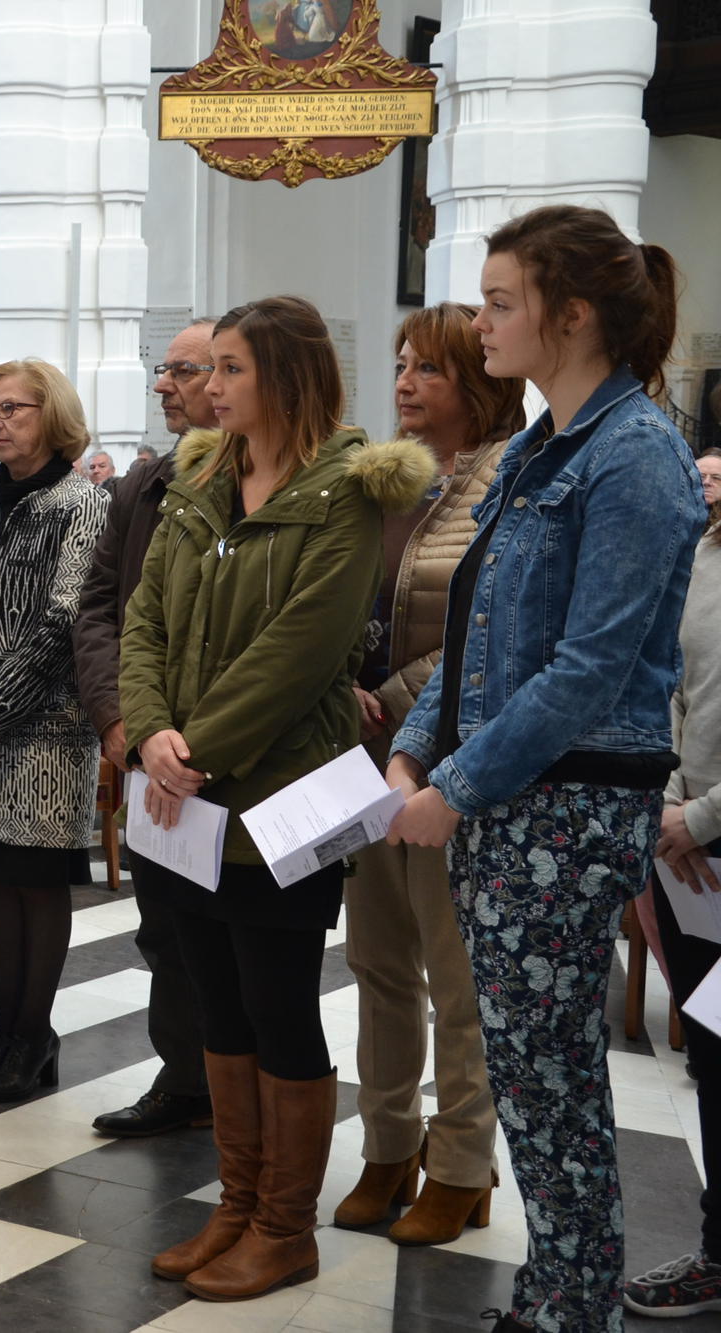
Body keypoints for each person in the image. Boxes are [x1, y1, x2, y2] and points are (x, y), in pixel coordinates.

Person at [386, 206, 704, 1333]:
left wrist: (451, 787)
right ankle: (556, 1292)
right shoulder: (530, 445)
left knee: (550, 1081)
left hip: (567, 804)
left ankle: (569, 1306)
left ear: (571, 317)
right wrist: (411, 743)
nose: (480, 321)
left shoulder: (635, 453)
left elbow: (584, 668)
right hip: (508, 795)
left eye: (501, 301)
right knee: (529, 1074)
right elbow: (476, 633)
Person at [123, 295, 431, 1301]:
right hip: (186, 796)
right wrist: (149, 731)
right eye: (205, 369)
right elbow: (145, 619)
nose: (207, 389)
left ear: (286, 377)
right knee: (213, 1000)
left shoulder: (345, 491)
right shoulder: (203, 476)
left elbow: (299, 653)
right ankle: (236, 1203)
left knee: (276, 1005)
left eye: (228, 370)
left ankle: (284, 1225)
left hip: (279, 797)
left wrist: (194, 746)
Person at [333, 303, 521, 1245]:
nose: (404, 381)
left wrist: (394, 695)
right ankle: (386, 1147)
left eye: (429, 369)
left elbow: (483, 631)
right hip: (370, 760)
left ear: (478, 384)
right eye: (401, 363)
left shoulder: (507, 479)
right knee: (376, 964)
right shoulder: (392, 483)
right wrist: (344, 687)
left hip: (457, 759)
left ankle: (459, 1166)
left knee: (456, 976)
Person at [74, 320, 219, 1140]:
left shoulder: (273, 481)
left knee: (228, 935)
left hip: (217, 751)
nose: (163, 385)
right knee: (163, 924)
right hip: (145, 744)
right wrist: (121, 718)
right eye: (164, 370)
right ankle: (184, 1077)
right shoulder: (144, 485)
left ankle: (241, 1094)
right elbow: (100, 608)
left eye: (185, 370)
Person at [0, 359, 106, 1103]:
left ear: (53, 414)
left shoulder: (81, 501)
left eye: (14, 407)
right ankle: (7, 1034)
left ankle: (35, 1033)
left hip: (48, 720)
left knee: (38, 881)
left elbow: (63, 618)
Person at [625, 506, 721, 1319]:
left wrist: (703, 815)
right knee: (717, 1064)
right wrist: (670, 804)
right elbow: (673, 684)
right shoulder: (707, 550)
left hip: (705, 829)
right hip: (694, 852)